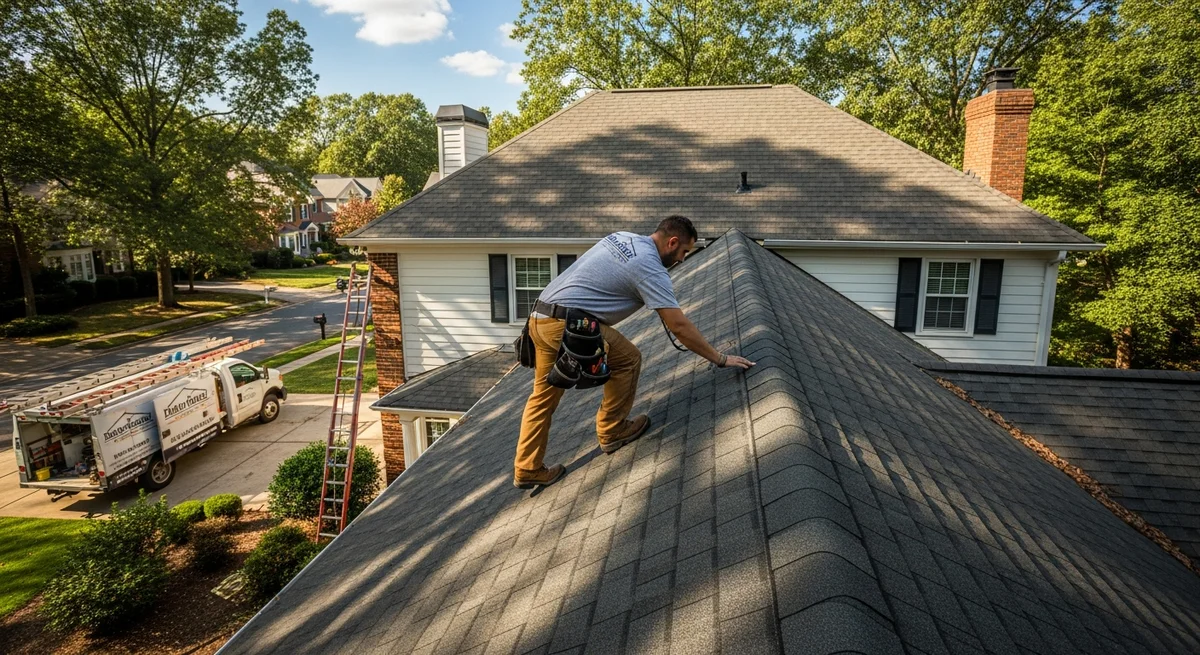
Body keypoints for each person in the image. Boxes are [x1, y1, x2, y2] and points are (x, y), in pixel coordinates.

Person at [514, 215, 755, 489]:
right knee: (628, 359)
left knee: (543, 397)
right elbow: (678, 325)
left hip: (539, 318)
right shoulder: (649, 266)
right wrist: (720, 358)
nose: (683, 259)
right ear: (672, 241)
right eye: (684, 252)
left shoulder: (622, 236)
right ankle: (612, 430)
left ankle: (527, 468)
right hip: (568, 325)